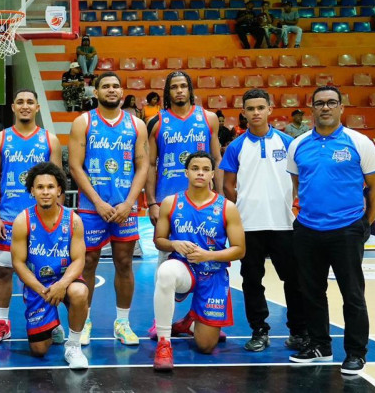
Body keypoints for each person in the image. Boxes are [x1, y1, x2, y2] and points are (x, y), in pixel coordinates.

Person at [287, 85, 375, 375]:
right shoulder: (299, 145)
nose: (325, 108)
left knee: (352, 294)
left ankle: (356, 352)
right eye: (320, 103)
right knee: (311, 292)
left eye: (331, 103)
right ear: (311, 109)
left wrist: (366, 222)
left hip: (346, 229)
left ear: (342, 107)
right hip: (307, 229)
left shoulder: (359, 142)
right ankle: (320, 346)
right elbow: (295, 185)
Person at [220, 89, 308, 353]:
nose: (256, 112)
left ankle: (298, 330)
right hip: (248, 227)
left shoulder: (287, 143)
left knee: (293, 280)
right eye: (250, 108)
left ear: (270, 109)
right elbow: (228, 185)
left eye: (260, 107)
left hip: (283, 224)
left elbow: (297, 180)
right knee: (251, 281)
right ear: (244, 113)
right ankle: (259, 330)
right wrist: (248, 205)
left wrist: (287, 202)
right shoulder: (236, 146)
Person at [68, 72, 149, 345]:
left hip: (125, 207)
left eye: (115, 86)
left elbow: (143, 166)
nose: (111, 90)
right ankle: (85, 320)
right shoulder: (84, 122)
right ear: (96, 92)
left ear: (122, 90)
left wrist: (129, 203)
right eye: (106, 86)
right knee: (87, 264)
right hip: (93, 208)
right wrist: (98, 202)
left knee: (124, 263)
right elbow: (75, 166)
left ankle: (122, 323)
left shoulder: (137, 124)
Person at [145, 70, 223, 340]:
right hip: (170, 203)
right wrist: (152, 201)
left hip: (206, 203)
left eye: (183, 87)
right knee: (166, 263)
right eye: (174, 87)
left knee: (208, 260)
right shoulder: (157, 122)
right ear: (168, 93)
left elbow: (217, 159)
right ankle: (160, 320)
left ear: (190, 90)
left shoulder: (208, 118)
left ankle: (197, 318)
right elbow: (150, 165)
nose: (179, 91)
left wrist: (222, 198)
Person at [151, 152, 245, 371]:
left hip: (212, 272)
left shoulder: (226, 207)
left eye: (205, 169)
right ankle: (164, 343)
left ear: (212, 174)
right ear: (186, 172)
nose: (200, 173)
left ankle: (190, 322)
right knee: (165, 272)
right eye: (195, 168)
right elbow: (159, 240)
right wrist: (174, 244)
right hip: (184, 268)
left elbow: (240, 250)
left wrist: (208, 255)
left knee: (205, 346)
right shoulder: (171, 203)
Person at [0, 89, 62, 344]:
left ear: (38, 107)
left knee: (47, 273)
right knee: (4, 273)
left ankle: (53, 322)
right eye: (20, 102)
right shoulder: (0, 139)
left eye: (30, 102)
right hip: (7, 218)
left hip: (42, 221)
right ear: (13, 107)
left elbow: (58, 183)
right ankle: (3, 322)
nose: (25, 106)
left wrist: (56, 222)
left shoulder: (50, 140)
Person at [11, 162, 89, 369]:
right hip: (39, 284)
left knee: (80, 292)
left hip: (65, 280)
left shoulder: (73, 220)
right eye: (40, 187)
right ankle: (53, 326)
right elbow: (18, 263)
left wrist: (62, 284)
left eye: (50, 187)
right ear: (32, 191)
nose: (45, 192)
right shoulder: (23, 220)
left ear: (59, 190)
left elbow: (79, 260)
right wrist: (42, 289)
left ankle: (73, 346)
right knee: (39, 351)